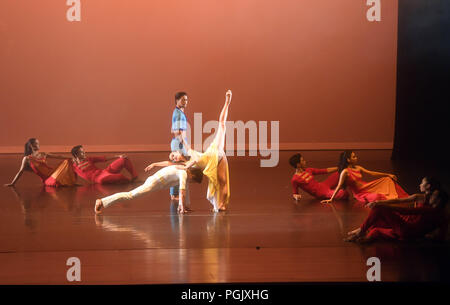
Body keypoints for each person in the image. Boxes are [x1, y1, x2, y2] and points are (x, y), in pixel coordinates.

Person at [172, 90, 232, 212]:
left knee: (222, 125)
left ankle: (227, 102)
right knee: (220, 182)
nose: (174, 157)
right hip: (211, 157)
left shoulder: (188, 154)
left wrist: (181, 140)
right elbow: (183, 167)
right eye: (174, 157)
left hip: (215, 154)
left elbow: (188, 160)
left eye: (174, 155)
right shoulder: (186, 160)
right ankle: (219, 205)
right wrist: (155, 165)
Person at [345, 177, 449, 242]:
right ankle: (364, 234)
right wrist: (427, 235)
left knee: (378, 211)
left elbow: (406, 211)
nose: (420, 184)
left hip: (408, 229)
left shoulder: (431, 209)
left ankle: (361, 231)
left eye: (422, 183)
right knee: (376, 228)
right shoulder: (440, 212)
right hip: (409, 230)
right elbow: (441, 232)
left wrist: (382, 206)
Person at [94, 164, 203, 214]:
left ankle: (186, 207)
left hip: (156, 182)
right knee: (130, 195)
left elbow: (185, 190)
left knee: (186, 185)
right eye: (192, 179)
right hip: (154, 182)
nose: (191, 181)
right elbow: (182, 191)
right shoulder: (183, 173)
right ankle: (101, 201)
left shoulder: (182, 169)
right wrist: (181, 206)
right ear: (191, 174)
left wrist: (185, 206)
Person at [321, 150, 409, 205]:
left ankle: (404, 198)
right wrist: (331, 199)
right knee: (377, 197)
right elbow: (339, 185)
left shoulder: (358, 168)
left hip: (368, 186)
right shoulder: (345, 172)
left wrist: (387, 174)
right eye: (354, 157)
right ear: (348, 160)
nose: (356, 158)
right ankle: (393, 201)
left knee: (387, 180)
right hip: (361, 193)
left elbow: (372, 173)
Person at [4, 138, 76, 187]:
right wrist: (12, 183)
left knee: (67, 161)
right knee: (55, 182)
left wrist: (71, 158)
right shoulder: (27, 158)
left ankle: (73, 181)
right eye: (37, 143)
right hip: (47, 179)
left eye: (38, 143)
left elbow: (58, 156)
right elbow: (20, 171)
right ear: (31, 145)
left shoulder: (43, 154)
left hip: (53, 173)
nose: (39, 145)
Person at [71, 145, 138, 184]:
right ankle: (130, 182)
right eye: (81, 152)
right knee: (120, 176)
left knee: (124, 159)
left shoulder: (88, 159)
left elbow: (103, 158)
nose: (84, 153)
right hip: (100, 178)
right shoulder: (74, 166)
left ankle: (135, 177)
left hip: (104, 171)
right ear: (76, 155)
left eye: (83, 151)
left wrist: (118, 156)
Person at [170, 92, 189, 200]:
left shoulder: (179, 112)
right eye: (183, 100)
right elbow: (177, 132)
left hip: (180, 143)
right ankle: (174, 194)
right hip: (179, 144)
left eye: (186, 100)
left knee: (180, 168)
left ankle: (175, 193)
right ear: (177, 101)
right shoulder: (178, 114)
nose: (185, 102)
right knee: (178, 168)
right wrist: (186, 145)